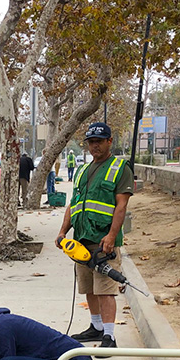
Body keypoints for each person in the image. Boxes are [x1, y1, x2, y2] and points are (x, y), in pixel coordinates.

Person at [55, 122, 134, 348]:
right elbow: (74, 204)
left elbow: (121, 206)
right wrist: (62, 231)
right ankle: (96, 327)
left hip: (103, 242)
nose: (94, 146)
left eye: (99, 141)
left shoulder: (119, 168)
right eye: (91, 142)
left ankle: (109, 336)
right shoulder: (81, 170)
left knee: (105, 290)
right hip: (81, 241)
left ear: (110, 141)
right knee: (89, 288)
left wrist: (111, 236)